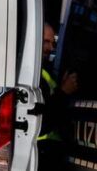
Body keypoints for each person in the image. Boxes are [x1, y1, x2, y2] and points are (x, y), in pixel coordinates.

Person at [38, 23, 78, 171]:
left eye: (53, 43)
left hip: (50, 150)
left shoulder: (45, 72)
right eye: (46, 42)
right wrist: (63, 92)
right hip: (40, 150)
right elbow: (43, 121)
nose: (51, 48)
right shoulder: (31, 75)